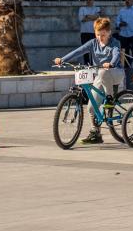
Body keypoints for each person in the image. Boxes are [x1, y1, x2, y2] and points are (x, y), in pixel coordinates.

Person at [53, 16, 126, 144]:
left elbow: (115, 54)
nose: (100, 37)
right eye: (98, 34)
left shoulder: (114, 42)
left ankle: (110, 99)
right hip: (101, 75)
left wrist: (111, 63)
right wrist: (63, 59)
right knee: (91, 107)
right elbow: (79, 51)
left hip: (115, 72)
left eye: (103, 35)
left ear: (109, 32)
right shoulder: (93, 43)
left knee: (103, 72)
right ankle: (95, 133)